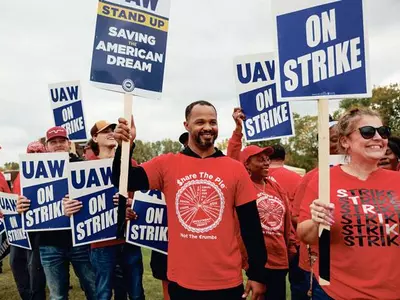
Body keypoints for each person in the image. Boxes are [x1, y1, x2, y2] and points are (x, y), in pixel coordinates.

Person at [112, 100, 267, 300]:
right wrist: (125, 146)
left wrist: (257, 274)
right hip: (182, 281)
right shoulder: (167, 164)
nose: (208, 127)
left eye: (213, 122)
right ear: (186, 125)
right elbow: (123, 180)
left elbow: (251, 226)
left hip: (226, 281)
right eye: (200, 122)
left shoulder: (235, 169)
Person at [297, 107, 400, 299]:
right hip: (336, 291)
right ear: (345, 141)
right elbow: (305, 236)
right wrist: (317, 222)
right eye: (368, 132)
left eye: (383, 132)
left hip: (392, 291)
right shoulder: (324, 179)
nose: (378, 137)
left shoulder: (397, 181)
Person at [63, 120, 145, 300]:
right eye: (104, 131)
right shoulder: (82, 168)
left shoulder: (130, 162)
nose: (110, 133)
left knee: (136, 292)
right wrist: (68, 208)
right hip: (101, 245)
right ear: (94, 137)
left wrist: (132, 203)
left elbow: (142, 198)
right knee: (103, 292)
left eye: (112, 130)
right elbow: (71, 204)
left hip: (129, 239)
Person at [16, 126, 96, 300]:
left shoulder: (83, 167)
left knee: (94, 290)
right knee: (57, 295)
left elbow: (94, 201)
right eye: (53, 142)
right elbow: (26, 203)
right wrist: (20, 206)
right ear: (46, 146)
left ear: (69, 144)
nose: (58, 145)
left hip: (80, 241)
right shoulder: (33, 170)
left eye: (62, 141)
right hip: (49, 243)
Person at [227, 108, 296, 299]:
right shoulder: (242, 185)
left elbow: (287, 220)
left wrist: (291, 247)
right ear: (246, 164)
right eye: (260, 159)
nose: (266, 162)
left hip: (280, 261)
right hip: (257, 262)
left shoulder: (276, 187)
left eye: (267, 159)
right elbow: (232, 158)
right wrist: (238, 129)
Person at [290, 118, 340, 300]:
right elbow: (296, 217)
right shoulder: (313, 177)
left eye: (343, 138)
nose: (339, 145)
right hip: (317, 263)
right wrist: (318, 221)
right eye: (333, 140)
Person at [5, 141, 47, 300]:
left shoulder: (49, 174)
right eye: (32, 152)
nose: (35, 156)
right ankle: (26, 296)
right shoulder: (21, 175)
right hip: (19, 228)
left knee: (34, 267)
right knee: (15, 262)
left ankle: (37, 297)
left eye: (39, 152)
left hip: (38, 228)